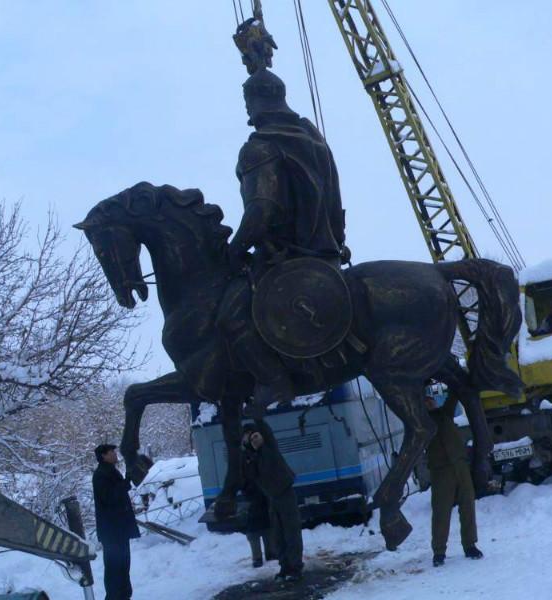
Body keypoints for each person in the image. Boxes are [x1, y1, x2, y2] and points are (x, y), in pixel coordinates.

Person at [217, 66, 348, 410]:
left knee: (231, 315)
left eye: (247, 100)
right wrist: (338, 238)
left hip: (288, 261)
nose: (246, 108)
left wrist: (235, 248)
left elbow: (261, 209)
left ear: (256, 100)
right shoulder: (312, 138)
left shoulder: (260, 147)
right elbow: (334, 197)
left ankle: (275, 382)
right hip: (327, 255)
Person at [241, 421, 304, 581]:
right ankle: (285, 566)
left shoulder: (270, 447)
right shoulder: (250, 458)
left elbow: (265, 430)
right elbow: (249, 476)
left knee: (291, 532)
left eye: (256, 436)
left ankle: (295, 567)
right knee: (278, 535)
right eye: (250, 438)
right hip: (272, 498)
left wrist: (256, 414)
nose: (254, 440)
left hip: (285, 493)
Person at [424, 394, 483, 567]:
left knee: (467, 506)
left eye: (431, 400)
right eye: (426, 401)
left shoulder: (445, 413)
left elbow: (453, 396)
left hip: (460, 467)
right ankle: (439, 552)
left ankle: (470, 545)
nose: (430, 402)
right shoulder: (421, 422)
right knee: (441, 511)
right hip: (441, 471)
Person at [93, 443, 141, 600]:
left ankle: (124, 596)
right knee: (115, 568)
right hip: (112, 531)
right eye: (111, 452)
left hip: (118, 530)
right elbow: (109, 497)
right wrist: (125, 483)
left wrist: (126, 481)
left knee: (123, 566)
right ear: (103, 456)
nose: (115, 454)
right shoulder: (101, 474)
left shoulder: (110, 471)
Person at [242, 479, 277, 568]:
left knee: (256, 535)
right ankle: (269, 554)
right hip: (260, 512)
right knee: (265, 533)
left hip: (255, 513)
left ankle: (259, 558)